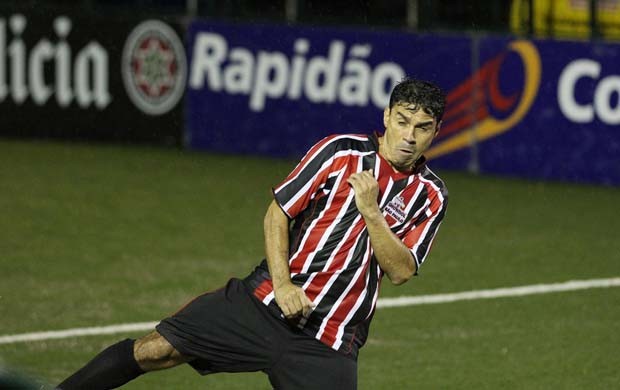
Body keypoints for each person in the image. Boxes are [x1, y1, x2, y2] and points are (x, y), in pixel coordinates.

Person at [58, 77, 448, 390]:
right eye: (402, 121)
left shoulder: (431, 195)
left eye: (422, 128)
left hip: (329, 340)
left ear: (436, 132)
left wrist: (372, 213)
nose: (409, 136)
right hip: (261, 305)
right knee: (154, 350)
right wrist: (282, 285)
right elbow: (277, 213)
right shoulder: (339, 153)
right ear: (386, 117)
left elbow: (400, 271)